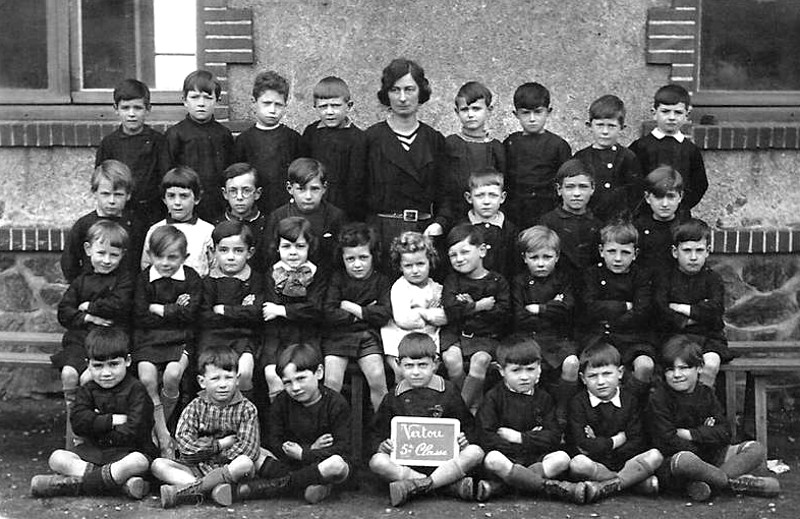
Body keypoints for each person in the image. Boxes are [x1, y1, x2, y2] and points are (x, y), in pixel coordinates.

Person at [647, 337, 780, 501]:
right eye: (670, 369)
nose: (676, 374)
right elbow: (667, 440)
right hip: (678, 460)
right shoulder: (658, 398)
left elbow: (725, 432)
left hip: (713, 456)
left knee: (756, 449)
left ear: (699, 368)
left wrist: (691, 434)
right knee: (686, 461)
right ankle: (729, 482)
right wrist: (706, 435)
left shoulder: (706, 393)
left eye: (684, 368)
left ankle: (710, 483)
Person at [31, 328, 156, 499]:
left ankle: (76, 485)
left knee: (138, 462)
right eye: (98, 366)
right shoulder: (87, 390)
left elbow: (134, 430)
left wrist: (95, 422)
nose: (106, 373)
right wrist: (111, 420)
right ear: (88, 364)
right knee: (57, 458)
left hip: (125, 454)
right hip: (93, 455)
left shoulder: (137, 390)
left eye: (113, 364)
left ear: (127, 361)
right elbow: (79, 422)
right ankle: (120, 484)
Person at [224, 343, 351, 505]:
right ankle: (307, 485)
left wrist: (305, 453)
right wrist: (307, 449)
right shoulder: (282, 401)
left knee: (337, 464)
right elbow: (274, 441)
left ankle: (270, 487)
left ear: (318, 372)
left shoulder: (336, 403)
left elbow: (343, 447)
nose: (295, 388)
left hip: (320, 462)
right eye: (288, 382)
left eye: (301, 379)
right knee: (253, 452)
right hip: (291, 464)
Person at [368, 333, 485, 507]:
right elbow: (378, 432)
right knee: (377, 462)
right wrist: (382, 445)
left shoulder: (449, 391)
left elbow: (467, 425)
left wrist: (464, 441)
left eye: (422, 365)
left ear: (435, 364)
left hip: (445, 465)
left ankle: (416, 487)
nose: (416, 372)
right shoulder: (393, 397)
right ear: (399, 365)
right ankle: (440, 486)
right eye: (409, 366)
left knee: (475, 452)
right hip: (407, 466)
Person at [56, 220, 134, 450]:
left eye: (114, 255)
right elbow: (64, 312)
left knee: (87, 378)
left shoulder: (125, 280)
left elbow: (119, 305)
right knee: (70, 374)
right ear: (89, 249)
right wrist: (88, 318)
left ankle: (93, 435)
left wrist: (88, 305)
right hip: (81, 340)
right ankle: (74, 438)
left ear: (122, 255)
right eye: (101, 253)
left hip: (108, 342)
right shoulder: (81, 281)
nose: (107, 260)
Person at [151, 347, 260, 508]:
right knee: (158, 465)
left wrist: (210, 456)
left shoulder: (247, 409)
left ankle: (189, 491)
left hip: (230, 469)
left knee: (245, 463)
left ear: (237, 379)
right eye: (215, 379)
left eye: (228, 378)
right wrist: (219, 445)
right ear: (202, 381)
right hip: (196, 469)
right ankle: (213, 489)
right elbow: (186, 447)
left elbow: (248, 449)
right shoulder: (195, 407)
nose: (223, 385)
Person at [364, 58, 450, 259]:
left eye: (409, 89)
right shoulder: (371, 138)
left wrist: (440, 223)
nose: (402, 98)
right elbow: (358, 194)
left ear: (421, 92)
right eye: (395, 90)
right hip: (381, 235)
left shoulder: (434, 140)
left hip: (423, 235)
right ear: (387, 94)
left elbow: (446, 194)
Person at [477, 338, 578, 503]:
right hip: (507, 457)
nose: (524, 377)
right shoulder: (493, 397)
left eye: (530, 369)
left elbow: (553, 436)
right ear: (501, 371)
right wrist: (532, 439)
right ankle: (545, 486)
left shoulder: (544, 398)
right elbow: (486, 436)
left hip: (535, 459)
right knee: (493, 459)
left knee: (562, 458)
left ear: (539, 368)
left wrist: (520, 438)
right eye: (516, 371)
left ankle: (507, 486)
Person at [133, 225, 203, 459]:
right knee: (147, 379)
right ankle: (163, 435)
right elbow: (140, 315)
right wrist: (175, 309)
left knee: (173, 375)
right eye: (158, 256)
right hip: (148, 340)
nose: (165, 263)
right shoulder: (144, 279)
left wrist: (159, 308)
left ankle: (161, 429)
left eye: (172, 257)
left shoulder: (191, 278)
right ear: (150, 255)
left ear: (185, 257)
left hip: (180, 339)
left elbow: (192, 313)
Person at [566, 342, 663, 503]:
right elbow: (582, 444)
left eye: (607, 374)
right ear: (583, 379)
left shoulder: (629, 400)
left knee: (655, 455)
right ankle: (629, 483)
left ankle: (606, 485)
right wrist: (615, 441)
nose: (601, 381)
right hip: (596, 465)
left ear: (620, 373)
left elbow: (637, 440)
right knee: (578, 464)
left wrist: (599, 444)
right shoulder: (578, 403)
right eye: (593, 376)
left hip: (626, 462)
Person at [511, 226, 579, 427]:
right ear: (525, 258)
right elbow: (519, 317)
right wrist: (553, 308)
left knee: (571, 362)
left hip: (557, 339)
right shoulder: (519, 282)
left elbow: (567, 311)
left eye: (547, 257)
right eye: (534, 258)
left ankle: (562, 409)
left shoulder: (563, 280)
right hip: (528, 337)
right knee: (530, 364)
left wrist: (538, 309)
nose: (541, 263)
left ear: (557, 257)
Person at [441, 224, 510, 413]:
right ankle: (471, 407)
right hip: (456, 334)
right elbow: (450, 309)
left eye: (464, 252)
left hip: (486, 336)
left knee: (480, 360)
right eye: (453, 255)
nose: (459, 259)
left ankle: (459, 412)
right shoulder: (452, 280)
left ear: (481, 251)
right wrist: (478, 306)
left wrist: (467, 307)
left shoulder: (497, 281)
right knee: (451, 358)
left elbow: (502, 313)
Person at [322, 223, 391, 412]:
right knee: (332, 382)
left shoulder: (381, 280)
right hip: (339, 337)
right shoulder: (337, 278)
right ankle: (333, 430)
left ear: (373, 257)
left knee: (377, 378)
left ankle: (381, 429)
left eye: (363, 257)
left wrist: (351, 307)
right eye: (350, 259)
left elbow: (384, 314)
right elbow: (328, 312)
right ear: (342, 258)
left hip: (367, 336)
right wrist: (365, 313)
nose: (357, 264)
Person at [653, 219, 731, 387]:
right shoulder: (665, 278)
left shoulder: (713, 279)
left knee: (709, 365)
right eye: (687, 250)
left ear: (708, 251)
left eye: (699, 250)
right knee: (676, 366)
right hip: (674, 337)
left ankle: (702, 408)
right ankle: (678, 410)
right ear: (675, 252)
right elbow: (661, 312)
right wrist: (698, 313)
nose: (693, 257)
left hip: (708, 338)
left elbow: (715, 313)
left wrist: (682, 308)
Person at [580, 221, 655, 394]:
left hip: (632, 338)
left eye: (625, 253)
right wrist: (624, 306)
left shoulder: (641, 277)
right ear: (601, 251)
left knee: (645, 365)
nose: (618, 258)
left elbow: (641, 312)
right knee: (594, 366)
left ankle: (633, 406)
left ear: (635, 254)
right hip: (599, 337)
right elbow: (589, 307)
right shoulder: (592, 274)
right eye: (612, 251)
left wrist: (609, 320)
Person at [198, 220, 265, 401]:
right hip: (212, 337)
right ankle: (211, 417)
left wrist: (223, 310)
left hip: (244, 337)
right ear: (214, 251)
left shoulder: (256, 280)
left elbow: (257, 314)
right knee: (211, 375)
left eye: (238, 251)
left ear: (249, 253)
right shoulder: (208, 282)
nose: (230, 257)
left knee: (243, 372)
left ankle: (244, 416)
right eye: (224, 250)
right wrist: (241, 311)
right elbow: (205, 316)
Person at [261, 217, 325, 401]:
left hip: (307, 335)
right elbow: (268, 310)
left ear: (309, 248)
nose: (293, 253)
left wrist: (282, 311)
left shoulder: (315, 274)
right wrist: (298, 310)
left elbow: (315, 309)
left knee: (306, 374)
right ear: (277, 247)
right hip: (278, 336)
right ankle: (280, 418)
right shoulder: (272, 273)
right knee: (273, 374)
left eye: (300, 246)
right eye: (286, 247)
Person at [95, 78, 170, 224]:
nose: (131, 114)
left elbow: (165, 179)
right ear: (116, 109)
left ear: (148, 109)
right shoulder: (109, 144)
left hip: (153, 212)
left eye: (137, 108)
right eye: (125, 108)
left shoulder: (158, 142)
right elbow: (101, 180)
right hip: (119, 213)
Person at [165, 69, 234, 222]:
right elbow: (168, 174)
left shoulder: (224, 134)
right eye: (195, 97)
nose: (201, 103)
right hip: (186, 207)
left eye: (208, 98)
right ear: (184, 100)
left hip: (218, 206)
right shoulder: (175, 134)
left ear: (218, 100)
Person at [629, 84, 707, 217]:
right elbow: (631, 182)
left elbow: (700, 184)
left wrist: (679, 205)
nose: (672, 117)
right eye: (665, 111)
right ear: (654, 113)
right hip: (645, 217)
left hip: (679, 218)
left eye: (678, 112)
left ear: (687, 115)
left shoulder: (690, 150)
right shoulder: (640, 147)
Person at [262, 157, 346, 279]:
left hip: (326, 280)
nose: (308, 196)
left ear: (324, 188)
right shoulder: (278, 216)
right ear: (290, 188)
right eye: (301, 189)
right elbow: (269, 255)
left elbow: (340, 256)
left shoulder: (335, 216)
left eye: (315, 189)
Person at [381, 231, 447, 383]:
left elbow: (444, 317)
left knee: (429, 371)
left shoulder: (436, 288)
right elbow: (404, 320)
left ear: (430, 261)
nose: (415, 270)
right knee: (402, 372)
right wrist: (429, 315)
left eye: (420, 264)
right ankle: (403, 399)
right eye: (408, 266)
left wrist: (419, 312)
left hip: (427, 336)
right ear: (400, 266)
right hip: (400, 335)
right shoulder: (400, 288)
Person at [504, 81, 572, 228]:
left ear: (549, 111)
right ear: (516, 114)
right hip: (515, 213)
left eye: (538, 112)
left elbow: (565, 182)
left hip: (548, 212)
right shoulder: (511, 143)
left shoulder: (558, 145)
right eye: (526, 113)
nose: (532, 118)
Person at [61, 160, 141, 282]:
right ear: (95, 193)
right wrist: (80, 286)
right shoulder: (83, 225)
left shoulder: (135, 225)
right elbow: (69, 261)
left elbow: (138, 261)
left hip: (125, 291)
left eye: (118, 195)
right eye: (105, 194)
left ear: (128, 195)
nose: (112, 200)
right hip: (90, 290)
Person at [299, 76, 367, 221]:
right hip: (314, 202)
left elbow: (357, 181)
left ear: (349, 106)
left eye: (335, 106)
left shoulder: (358, 138)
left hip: (345, 206)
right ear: (315, 107)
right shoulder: (311, 132)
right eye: (323, 106)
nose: (329, 112)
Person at [234, 70, 301, 215]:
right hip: (253, 209)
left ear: (286, 105)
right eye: (267, 103)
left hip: (286, 209)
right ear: (254, 102)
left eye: (278, 105)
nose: (272, 110)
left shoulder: (293, 138)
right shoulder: (243, 140)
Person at [572, 94, 640, 223]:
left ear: (622, 128)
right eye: (600, 125)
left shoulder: (628, 158)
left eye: (611, 126)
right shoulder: (581, 157)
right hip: (588, 220)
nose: (605, 131)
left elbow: (635, 195)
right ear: (589, 126)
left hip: (619, 223)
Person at [444, 81, 506, 216]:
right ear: (457, 112)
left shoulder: (496, 147)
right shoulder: (451, 144)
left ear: (489, 110)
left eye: (476, 109)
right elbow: (443, 187)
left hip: (487, 215)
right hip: (455, 214)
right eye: (465, 109)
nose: (470, 115)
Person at [141, 166, 215, 277]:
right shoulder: (156, 229)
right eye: (171, 196)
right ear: (164, 199)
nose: (177, 202)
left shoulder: (207, 231)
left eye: (184, 196)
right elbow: (146, 265)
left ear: (197, 198)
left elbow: (214, 266)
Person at [540, 159, 602, 278]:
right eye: (570, 187)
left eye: (583, 187)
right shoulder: (547, 223)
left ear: (592, 189)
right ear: (559, 189)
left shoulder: (598, 225)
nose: (577, 193)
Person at [456, 168, 518, 278]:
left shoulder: (510, 230)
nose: (486, 202)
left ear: (502, 197)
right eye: (480, 196)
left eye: (493, 195)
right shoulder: (460, 228)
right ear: (469, 198)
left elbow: (514, 268)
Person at [634, 165, 688, 273]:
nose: (664, 204)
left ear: (680, 197)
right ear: (648, 198)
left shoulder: (686, 229)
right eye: (658, 197)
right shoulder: (637, 229)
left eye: (671, 197)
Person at [215, 162, 267, 270]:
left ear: (257, 193)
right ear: (225, 194)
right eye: (233, 191)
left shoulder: (268, 225)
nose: (239, 197)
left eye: (246, 191)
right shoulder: (215, 225)